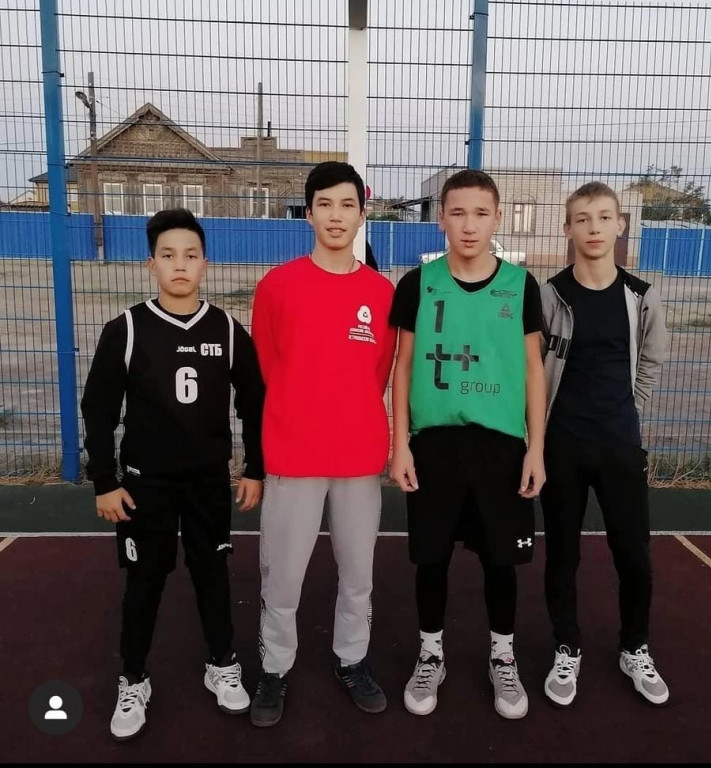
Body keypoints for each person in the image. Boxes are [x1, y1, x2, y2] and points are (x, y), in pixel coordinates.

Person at [81, 208, 264, 741]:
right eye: (168, 256)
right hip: (145, 485)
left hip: (208, 481)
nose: (179, 265)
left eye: (190, 255)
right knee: (145, 581)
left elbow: (254, 402)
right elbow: (98, 409)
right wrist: (104, 480)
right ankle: (133, 678)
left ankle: (221, 662)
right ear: (151, 265)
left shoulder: (226, 329)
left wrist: (254, 467)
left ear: (205, 263)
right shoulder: (126, 329)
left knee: (212, 575)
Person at [389, 169, 547, 720]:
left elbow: (533, 369)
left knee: (500, 560)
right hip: (434, 446)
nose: (469, 224)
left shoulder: (521, 285)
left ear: (498, 218)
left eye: (481, 213)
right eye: (457, 213)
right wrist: (399, 443)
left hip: (501, 448)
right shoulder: (417, 284)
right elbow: (403, 366)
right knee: (430, 558)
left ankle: (502, 656)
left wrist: (535, 448)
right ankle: (431, 653)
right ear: (441, 219)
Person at [249, 161, 396, 727]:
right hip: (294, 455)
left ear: (362, 213)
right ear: (308, 213)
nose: (337, 216)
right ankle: (274, 667)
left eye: (347, 205)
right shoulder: (277, 285)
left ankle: (352, 660)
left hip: (358, 457)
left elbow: (378, 373)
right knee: (283, 576)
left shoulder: (380, 292)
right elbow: (268, 368)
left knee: (358, 574)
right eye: (325, 204)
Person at [540, 182, 670, 708]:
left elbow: (651, 360)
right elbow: (535, 367)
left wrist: (629, 410)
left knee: (633, 554)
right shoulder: (550, 294)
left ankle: (634, 647)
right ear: (567, 229)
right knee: (562, 554)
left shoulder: (641, 295)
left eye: (602, 217)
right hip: (562, 445)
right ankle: (566, 647)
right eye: (582, 218)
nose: (593, 228)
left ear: (619, 225)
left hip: (619, 444)